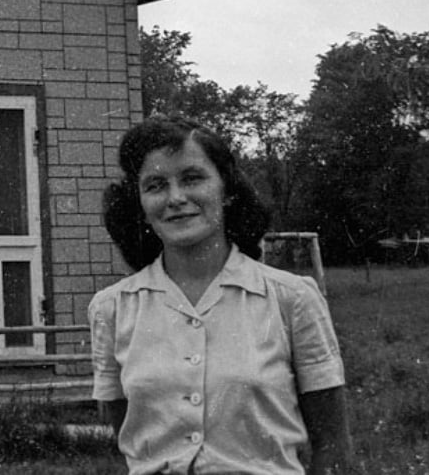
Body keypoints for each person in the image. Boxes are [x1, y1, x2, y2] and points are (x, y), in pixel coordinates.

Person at [89, 115, 352, 475]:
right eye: (155, 185)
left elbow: (332, 446)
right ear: (140, 205)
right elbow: (129, 436)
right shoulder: (112, 309)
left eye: (192, 178)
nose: (176, 198)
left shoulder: (292, 299)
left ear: (226, 190)